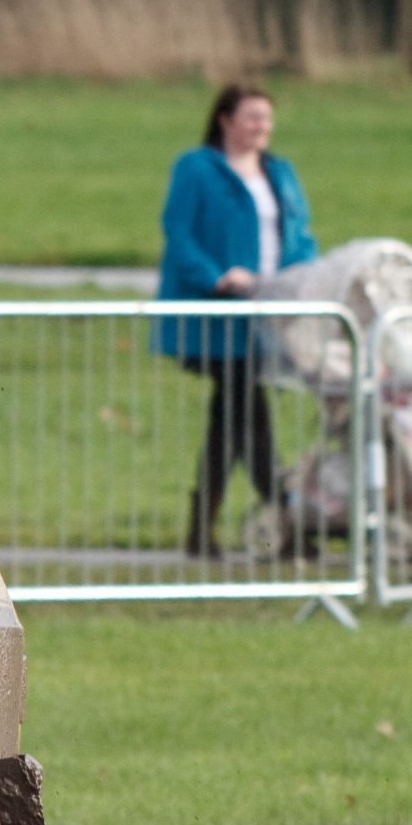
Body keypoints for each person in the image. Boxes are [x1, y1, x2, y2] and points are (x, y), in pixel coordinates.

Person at [153, 82, 318, 558]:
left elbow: (300, 235)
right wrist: (219, 278)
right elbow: (179, 235)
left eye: (266, 118)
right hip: (218, 317)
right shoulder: (197, 168)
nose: (261, 127)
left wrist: (300, 279)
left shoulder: (279, 173)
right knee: (246, 415)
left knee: (232, 422)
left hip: (267, 311)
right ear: (225, 120)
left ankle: (206, 530)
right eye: (251, 117)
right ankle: (291, 522)